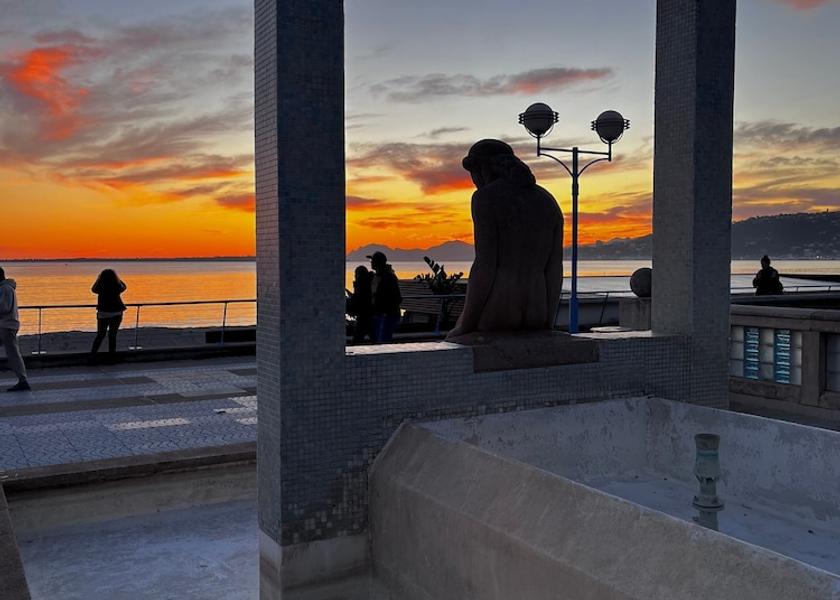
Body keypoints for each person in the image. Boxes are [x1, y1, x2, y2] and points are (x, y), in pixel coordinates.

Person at [446, 139, 563, 339]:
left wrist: (465, 324)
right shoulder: (548, 200)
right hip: (537, 312)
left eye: (473, 175)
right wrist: (547, 320)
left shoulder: (486, 198)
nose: (474, 181)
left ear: (481, 168)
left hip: (499, 309)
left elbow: (485, 265)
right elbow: (554, 270)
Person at [0, 267, 30, 392]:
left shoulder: (5, 289)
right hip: (7, 325)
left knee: (13, 353)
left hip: (6, 325)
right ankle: (22, 380)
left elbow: (4, 307)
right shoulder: (7, 288)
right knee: (13, 352)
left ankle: (23, 380)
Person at [91, 269, 127, 358]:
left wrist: (98, 279)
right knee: (112, 335)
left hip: (103, 313)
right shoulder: (116, 287)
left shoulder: (100, 287)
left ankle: (92, 355)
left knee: (100, 335)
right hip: (116, 313)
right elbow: (124, 287)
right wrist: (118, 279)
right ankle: (112, 356)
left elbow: (93, 289)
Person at [368, 252, 402, 343]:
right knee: (378, 340)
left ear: (377, 263)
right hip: (379, 314)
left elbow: (397, 298)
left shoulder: (389, 278)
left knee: (382, 341)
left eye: (372, 261)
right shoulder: (376, 277)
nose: (371, 262)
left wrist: (385, 310)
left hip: (387, 315)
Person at [347, 265, 373, 343]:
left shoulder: (361, 284)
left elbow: (359, 299)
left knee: (358, 337)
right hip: (368, 314)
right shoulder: (368, 283)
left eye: (355, 274)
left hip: (364, 314)